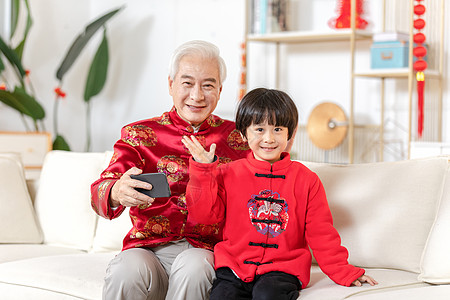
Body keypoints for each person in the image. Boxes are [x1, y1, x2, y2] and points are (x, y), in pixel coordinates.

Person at [90, 40, 251, 300]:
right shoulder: (139, 134)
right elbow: (100, 191)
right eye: (187, 83)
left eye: (208, 85)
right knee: (126, 271)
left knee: (195, 267)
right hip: (148, 249)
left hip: (206, 251)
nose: (197, 95)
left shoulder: (239, 138)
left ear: (220, 90)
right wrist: (116, 191)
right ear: (171, 85)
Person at [183, 88, 378, 300]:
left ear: (290, 134)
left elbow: (322, 234)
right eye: (259, 129)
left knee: (267, 295)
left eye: (277, 129)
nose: (269, 138)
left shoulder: (306, 180)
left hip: (283, 270)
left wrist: (343, 271)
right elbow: (203, 217)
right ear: (243, 134)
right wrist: (204, 171)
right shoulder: (227, 173)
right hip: (234, 267)